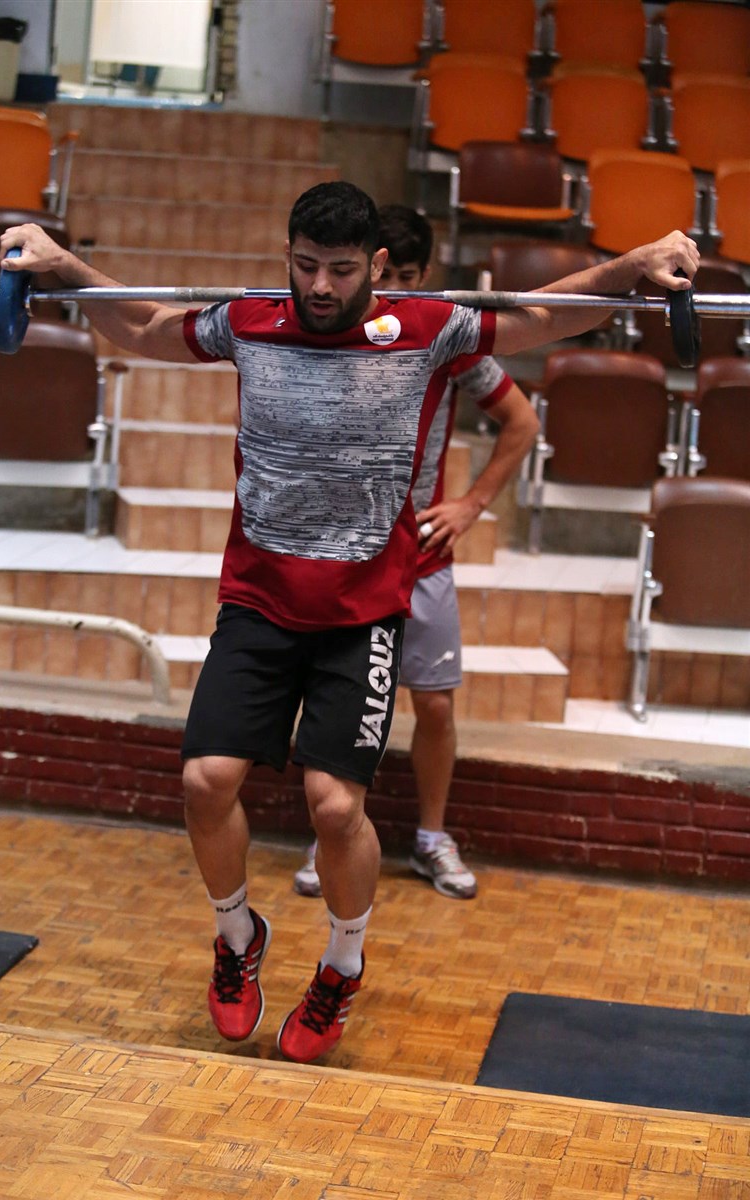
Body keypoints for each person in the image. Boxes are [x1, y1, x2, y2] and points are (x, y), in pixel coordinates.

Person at [0, 183, 699, 1065]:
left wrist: (633, 267)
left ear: (376, 265)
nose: (320, 287)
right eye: (304, 266)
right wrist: (64, 267)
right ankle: (237, 937)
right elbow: (142, 323)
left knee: (335, 808)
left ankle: (341, 964)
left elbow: (538, 315)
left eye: (338, 270)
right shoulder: (250, 323)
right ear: (286, 257)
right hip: (258, 602)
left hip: (363, 614)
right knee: (205, 782)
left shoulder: (427, 328)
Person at [292, 204, 540, 902]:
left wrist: (470, 505)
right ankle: (334, 831)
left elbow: (521, 422)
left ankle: (431, 836)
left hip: (420, 556)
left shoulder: (448, 341)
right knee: (336, 701)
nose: (396, 287)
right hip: (343, 555)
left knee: (433, 706)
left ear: (425, 274)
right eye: (387, 274)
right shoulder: (335, 330)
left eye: (409, 275)